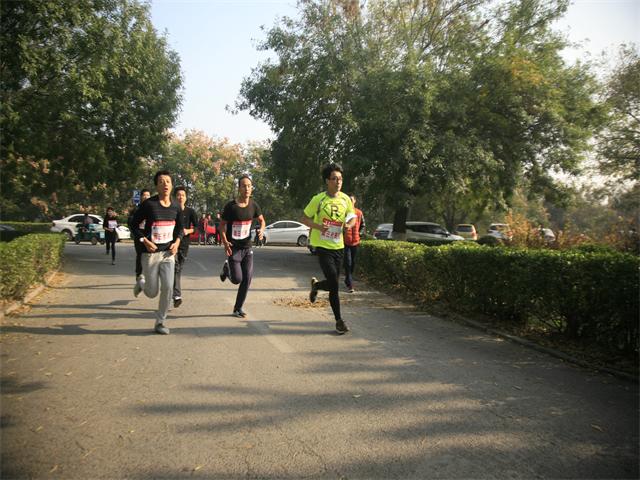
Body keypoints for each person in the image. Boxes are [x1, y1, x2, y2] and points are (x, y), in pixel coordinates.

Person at [301, 162, 356, 335]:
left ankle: (317, 286)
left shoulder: (345, 199)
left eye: (340, 179)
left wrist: (348, 225)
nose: (338, 182)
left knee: (333, 284)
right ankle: (339, 321)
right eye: (334, 179)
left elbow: (352, 217)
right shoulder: (318, 199)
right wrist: (319, 227)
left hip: (339, 246)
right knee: (334, 282)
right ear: (327, 181)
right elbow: (304, 218)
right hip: (323, 246)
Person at [131, 171, 183, 335]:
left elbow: (180, 228)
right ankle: (142, 283)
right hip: (150, 254)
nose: (165, 184)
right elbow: (133, 224)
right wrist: (144, 241)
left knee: (168, 287)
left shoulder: (176, 206)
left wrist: (177, 243)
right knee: (152, 292)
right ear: (156, 186)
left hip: (168, 254)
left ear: (171, 185)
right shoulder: (149, 205)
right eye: (161, 181)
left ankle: (160, 322)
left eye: (168, 181)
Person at [219, 174, 266, 318]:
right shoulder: (231, 207)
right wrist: (225, 242)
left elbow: (262, 220)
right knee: (237, 279)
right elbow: (221, 226)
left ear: (252, 188)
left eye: (249, 186)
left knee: (247, 278)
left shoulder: (254, 205)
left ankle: (237, 308)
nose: (247, 188)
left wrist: (261, 230)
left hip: (247, 248)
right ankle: (227, 270)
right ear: (239, 188)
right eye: (244, 186)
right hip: (233, 248)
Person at [172, 186, 198, 308]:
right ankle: (177, 295)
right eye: (178, 195)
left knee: (178, 268)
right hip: (172, 243)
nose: (180, 197)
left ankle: (173, 291)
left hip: (184, 244)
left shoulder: (190, 212)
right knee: (175, 267)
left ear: (186, 197)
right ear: (174, 197)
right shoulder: (171, 210)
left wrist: (188, 231)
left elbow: (198, 228)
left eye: (183, 195)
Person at [128, 189, 151, 285]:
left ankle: (148, 276)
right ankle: (139, 274)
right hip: (139, 235)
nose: (146, 197)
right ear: (141, 197)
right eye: (144, 195)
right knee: (140, 255)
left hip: (149, 235)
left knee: (150, 256)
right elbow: (130, 222)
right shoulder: (136, 209)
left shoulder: (152, 208)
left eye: (148, 195)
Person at [343, 194, 365, 293]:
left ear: (355, 201)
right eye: (349, 200)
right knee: (348, 262)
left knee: (353, 263)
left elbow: (363, 225)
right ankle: (350, 285)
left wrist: (359, 234)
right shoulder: (344, 213)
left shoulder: (359, 213)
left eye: (351, 200)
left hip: (355, 241)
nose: (350, 202)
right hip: (345, 242)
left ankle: (348, 278)